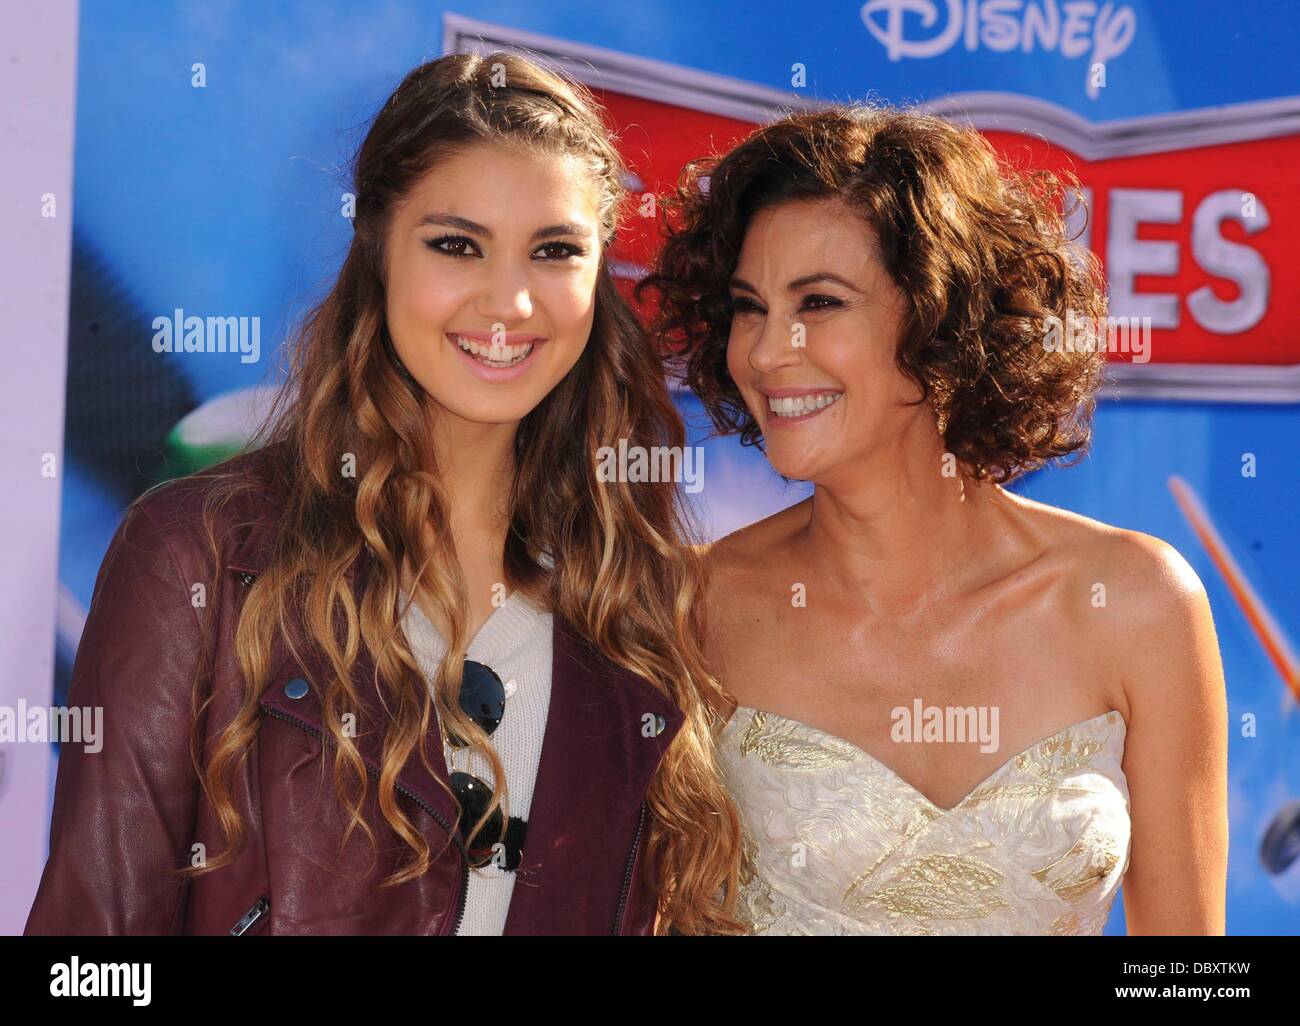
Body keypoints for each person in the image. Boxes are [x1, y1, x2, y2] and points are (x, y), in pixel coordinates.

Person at [25, 51, 743, 936]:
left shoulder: (635, 597)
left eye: (555, 252)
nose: (510, 300)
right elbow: (88, 954)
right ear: (377, 251)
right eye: (456, 244)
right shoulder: (199, 553)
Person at [639, 104, 1228, 935]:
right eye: (749, 307)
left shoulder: (1138, 602)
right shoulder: (688, 608)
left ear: (941, 316)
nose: (767, 352)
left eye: (819, 302)